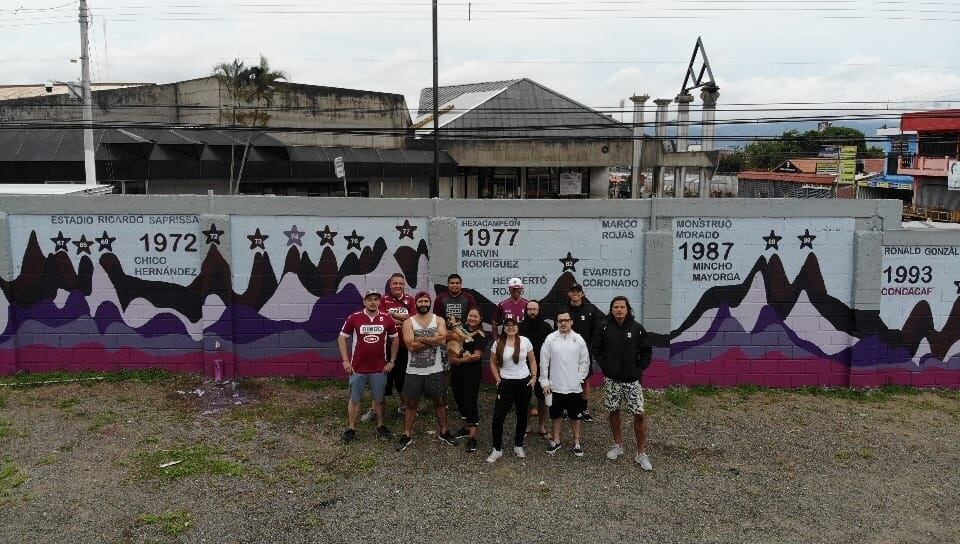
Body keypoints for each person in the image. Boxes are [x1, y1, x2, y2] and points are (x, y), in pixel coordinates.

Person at [592, 296, 654, 470]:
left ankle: (641, 453)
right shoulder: (604, 327)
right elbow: (596, 348)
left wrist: (638, 369)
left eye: (622, 307)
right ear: (611, 310)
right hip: (612, 381)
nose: (619, 310)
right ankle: (618, 445)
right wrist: (605, 366)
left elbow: (646, 351)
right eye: (616, 307)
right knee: (613, 411)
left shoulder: (637, 328)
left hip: (632, 381)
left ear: (628, 310)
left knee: (639, 414)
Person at [395, 291, 457, 451]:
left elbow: (443, 340)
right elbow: (411, 346)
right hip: (414, 371)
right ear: (415, 303)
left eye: (426, 301)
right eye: (420, 301)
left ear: (430, 303)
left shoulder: (439, 320)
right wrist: (433, 339)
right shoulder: (408, 322)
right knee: (411, 404)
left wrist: (420, 338)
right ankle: (407, 435)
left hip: (435, 370)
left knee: (439, 402)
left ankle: (444, 432)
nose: (423, 304)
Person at [337, 289, 399, 443]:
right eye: (369, 299)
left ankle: (381, 425)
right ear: (364, 301)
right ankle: (351, 428)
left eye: (376, 299)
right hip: (357, 368)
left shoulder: (387, 318)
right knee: (355, 399)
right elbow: (342, 338)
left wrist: (392, 361)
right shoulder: (354, 317)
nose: (373, 302)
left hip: (379, 368)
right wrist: (345, 361)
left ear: (379, 302)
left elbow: (395, 339)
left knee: (379, 399)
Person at [539, 309, 590, 456]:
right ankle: (556, 440)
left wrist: (579, 379)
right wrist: (545, 381)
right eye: (560, 321)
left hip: (574, 387)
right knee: (556, 415)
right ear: (556, 323)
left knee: (575, 416)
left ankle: (576, 442)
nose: (563, 323)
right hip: (555, 386)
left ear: (571, 322)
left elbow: (585, 362)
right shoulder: (550, 339)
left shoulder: (578, 339)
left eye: (566, 320)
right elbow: (544, 362)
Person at [487, 316, 538, 463]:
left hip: (523, 383)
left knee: (522, 415)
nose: (511, 327)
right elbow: (492, 363)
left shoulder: (525, 341)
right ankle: (497, 449)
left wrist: (534, 377)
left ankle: (518, 445)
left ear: (517, 326)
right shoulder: (498, 343)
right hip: (506, 383)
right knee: (498, 417)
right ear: (504, 327)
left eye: (513, 324)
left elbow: (532, 360)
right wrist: (498, 380)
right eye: (507, 325)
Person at [368, 273, 417, 421]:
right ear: (390, 285)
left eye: (400, 283)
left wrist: (394, 316)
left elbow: (414, 320)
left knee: (403, 378)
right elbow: (383, 318)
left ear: (404, 285)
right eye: (395, 283)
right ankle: (374, 409)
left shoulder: (410, 300)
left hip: (404, 346)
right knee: (381, 378)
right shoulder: (383, 299)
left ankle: (403, 406)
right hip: (385, 346)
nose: (398, 286)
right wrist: (405, 319)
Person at [448, 307, 487, 453]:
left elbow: (476, 356)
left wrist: (458, 360)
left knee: (470, 401)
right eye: (470, 316)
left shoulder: (481, 334)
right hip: (457, 372)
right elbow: (450, 343)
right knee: (460, 400)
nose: (472, 318)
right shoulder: (459, 329)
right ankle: (466, 428)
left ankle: (473, 436)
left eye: (476, 316)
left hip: (472, 374)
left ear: (480, 318)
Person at [566, 283, 603, 422]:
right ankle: (566, 408)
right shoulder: (563, 309)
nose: (575, 293)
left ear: (582, 293)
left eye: (578, 291)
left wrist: (591, 347)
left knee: (585, 380)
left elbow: (596, 330)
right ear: (569, 294)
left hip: (584, 353)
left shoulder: (590, 309)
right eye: (572, 291)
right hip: (565, 351)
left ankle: (583, 409)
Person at [518, 300, 553, 439]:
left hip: (543, 367)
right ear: (526, 311)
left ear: (539, 311)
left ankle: (542, 426)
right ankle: (527, 426)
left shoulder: (546, 327)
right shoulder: (519, 327)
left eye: (535, 309)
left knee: (543, 397)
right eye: (530, 309)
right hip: (523, 367)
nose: (532, 312)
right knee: (524, 398)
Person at [492, 277, 529, 343]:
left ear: (521, 289)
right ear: (509, 289)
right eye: (513, 289)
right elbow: (494, 323)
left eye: (518, 288)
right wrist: (496, 340)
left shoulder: (527, 304)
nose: (516, 291)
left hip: (523, 341)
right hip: (506, 340)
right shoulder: (502, 304)